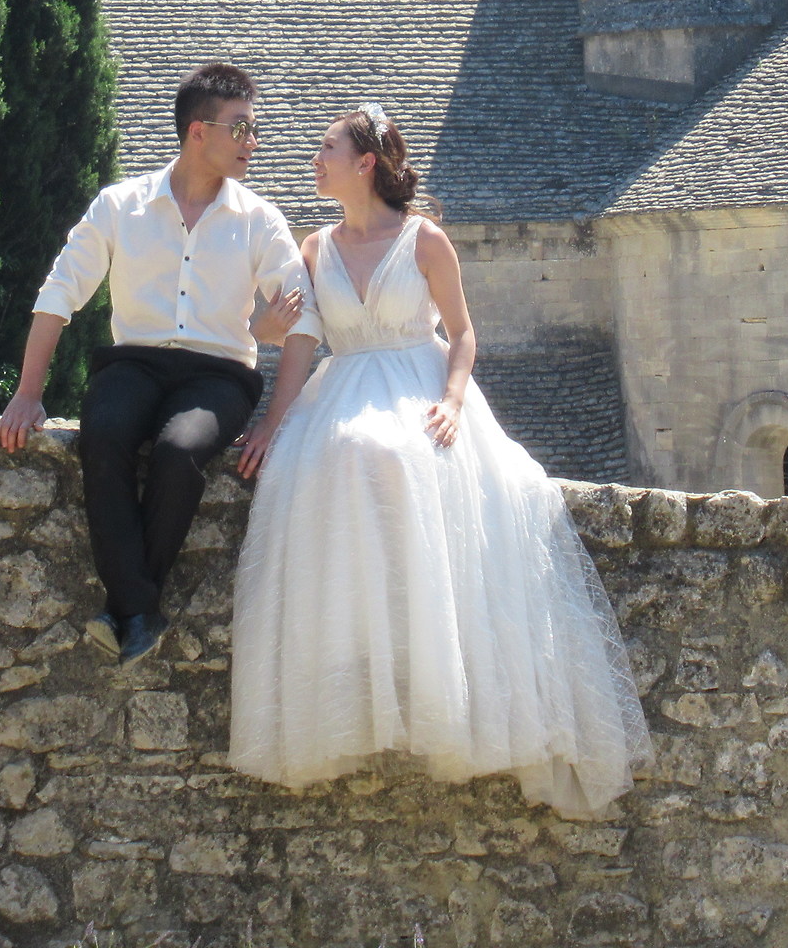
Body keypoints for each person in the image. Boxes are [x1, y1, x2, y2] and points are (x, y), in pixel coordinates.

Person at [228, 103, 650, 818]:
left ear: (364, 163)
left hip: (420, 381)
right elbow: (294, 343)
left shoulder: (425, 242)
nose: (314, 159)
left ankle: (435, 677)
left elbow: (462, 333)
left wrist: (454, 401)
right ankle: (357, 667)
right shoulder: (312, 249)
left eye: (326, 148)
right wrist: (272, 422)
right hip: (345, 384)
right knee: (312, 464)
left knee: (398, 454)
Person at [0, 61, 316, 667]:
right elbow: (59, 294)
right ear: (199, 131)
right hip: (132, 365)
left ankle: (126, 610)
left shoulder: (261, 220)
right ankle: (140, 608)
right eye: (242, 129)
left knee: (177, 450)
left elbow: (303, 325)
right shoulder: (120, 206)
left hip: (220, 374)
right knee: (106, 432)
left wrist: (274, 420)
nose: (255, 142)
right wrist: (27, 393)